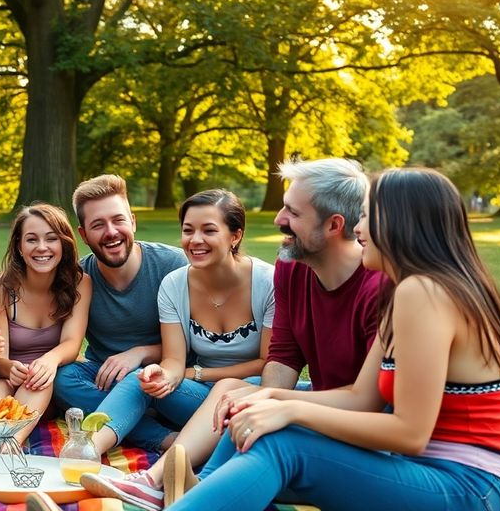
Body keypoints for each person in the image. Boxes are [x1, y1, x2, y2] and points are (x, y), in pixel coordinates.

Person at [165, 168, 500, 510]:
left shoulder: (422, 293)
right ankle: (204, 492)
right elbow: (361, 398)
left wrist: (291, 410)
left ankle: (202, 496)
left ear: (399, 223)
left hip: (471, 488)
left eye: (366, 217)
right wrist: (270, 396)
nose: (358, 228)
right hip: (424, 471)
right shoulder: (404, 290)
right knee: (262, 417)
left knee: (285, 444)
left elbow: (410, 434)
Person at [83, 158, 383, 509]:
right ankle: (150, 478)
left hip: (357, 421)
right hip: (287, 398)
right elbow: (284, 356)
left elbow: (369, 401)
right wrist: (262, 403)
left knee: (245, 402)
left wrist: (272, 402)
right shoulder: (291, 270)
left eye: (292, 212)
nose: (278, 219)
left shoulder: (379, 289)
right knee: (227, 392)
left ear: (334, 225)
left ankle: (190, 485)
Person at [80, 190, 273, 510]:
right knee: (141, 378)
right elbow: (173, 359)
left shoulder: (269, 282)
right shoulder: (174, 284)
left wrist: (195, 373)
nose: (195, 240)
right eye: (188, 230)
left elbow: (268, 363)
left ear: (235, 236)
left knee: (226, 387)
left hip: (252, 396)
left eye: (208, 230)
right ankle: (85, 453)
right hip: (200, 399)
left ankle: (153, 480)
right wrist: (164, 375)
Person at [48, 175, 187, 452]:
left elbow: (193, 345)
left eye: (118, 220)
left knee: (144, 379)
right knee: (63, 379)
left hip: (163, 376)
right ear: (84, 235)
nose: (111, 232)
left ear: (132, 221)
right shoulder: (78, 278)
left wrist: (140, 353)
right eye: (98, 225)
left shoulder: (172, 265)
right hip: (105, 378)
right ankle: (162, 437)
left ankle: (128, 417)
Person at [0, 203, 92, 448]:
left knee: (38, 380)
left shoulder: (79, 283)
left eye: (51, 238)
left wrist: (48, 361)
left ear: (64, 243)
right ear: (19, 246)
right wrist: (11, 368)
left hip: (46, 384)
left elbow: (72, 343)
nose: (42, 247)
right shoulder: (0, 288)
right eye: (31, 239)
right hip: (4, 378)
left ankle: (7, 447)